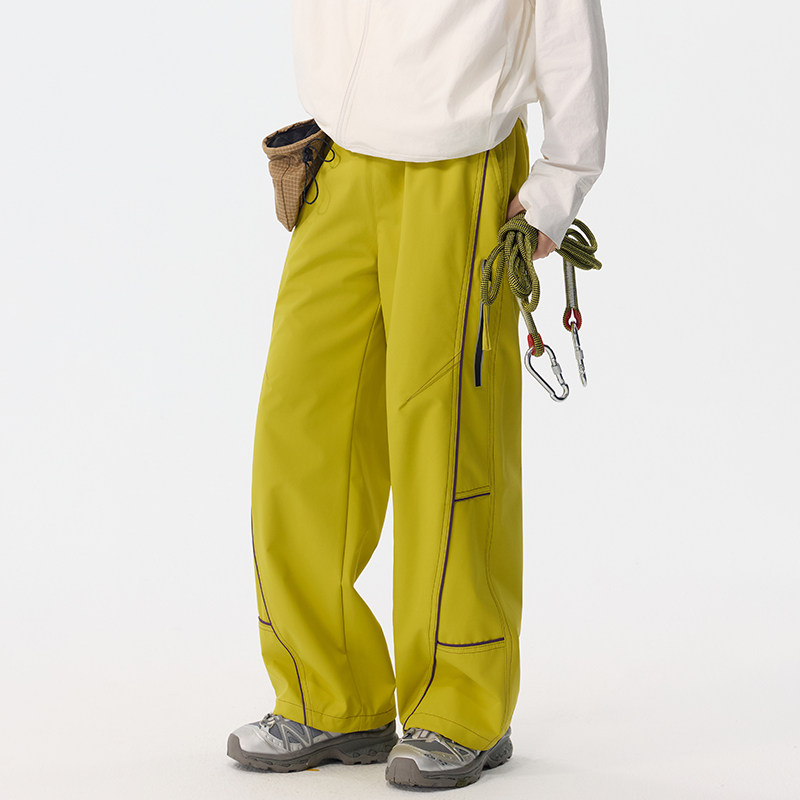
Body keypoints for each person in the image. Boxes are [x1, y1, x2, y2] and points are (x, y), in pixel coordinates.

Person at [227, 0, 609, 790]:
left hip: (459, 169)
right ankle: (328, 695)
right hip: (342, 161)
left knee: (447, 439)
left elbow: (566, 19)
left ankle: (462, 705)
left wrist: (561, 180)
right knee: (301, 431)